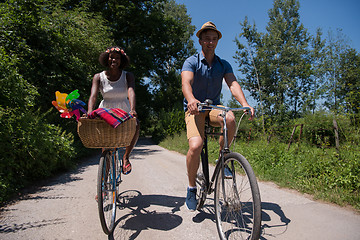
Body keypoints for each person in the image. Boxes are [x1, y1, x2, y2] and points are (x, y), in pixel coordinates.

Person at [181, 22, 255, 211]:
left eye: (214, 39)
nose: (210, 42)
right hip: (195, 108)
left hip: (213, 106)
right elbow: (186, 83)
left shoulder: (223, 64)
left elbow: (232, 85)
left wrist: (244, 103)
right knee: (196, 145)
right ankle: (191, 188)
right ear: (200, 41)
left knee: (229, 118)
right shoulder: (191, 61)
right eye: (207, 38)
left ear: (217, 41)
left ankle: (224, 159)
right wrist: (191, 99)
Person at [87, 46, 140, 175]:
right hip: (105, 111)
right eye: (111, 57)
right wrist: (89, 112)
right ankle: (103, 185)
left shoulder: (128, 76)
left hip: (123, 110)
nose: (114, 60)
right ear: (107, 59)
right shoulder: (98, 77)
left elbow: (131, 91)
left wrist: (133, 110)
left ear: (121, 61)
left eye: (117, 58)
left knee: (136, 124)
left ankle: (126, 157)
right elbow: (93, 96)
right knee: (106, 149)